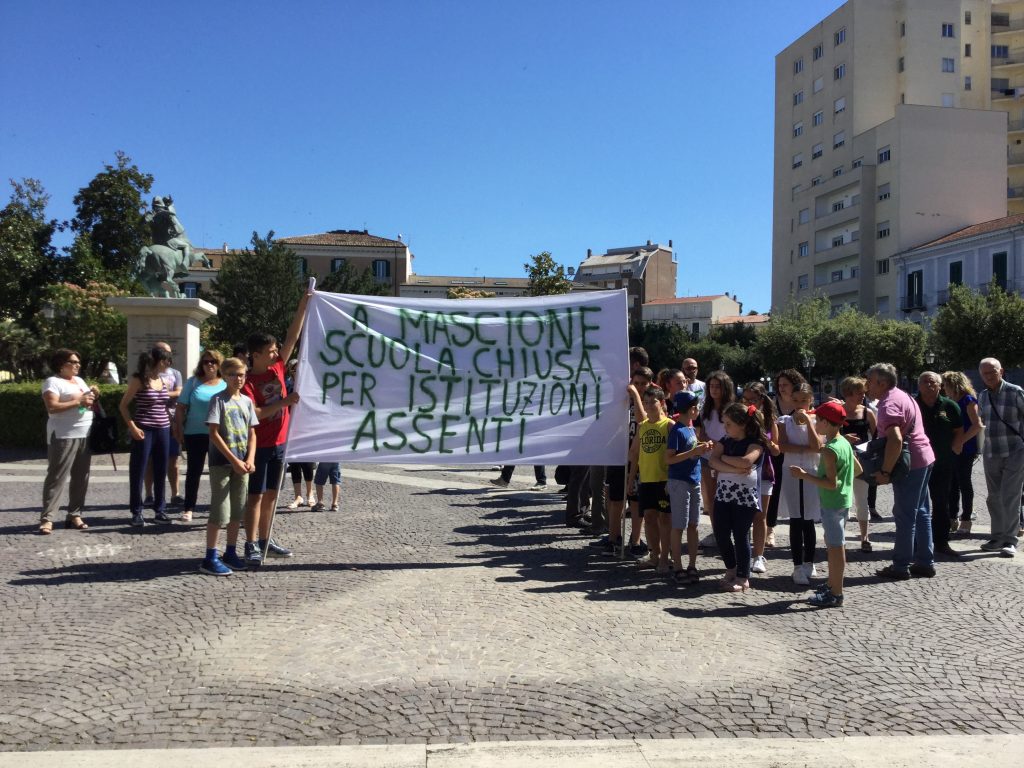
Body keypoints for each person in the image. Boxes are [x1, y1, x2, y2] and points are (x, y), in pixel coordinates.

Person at [241, 289, 312, 565]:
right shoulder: (246, 383)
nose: (275, 354)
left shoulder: (278, 368)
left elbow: (292, 336)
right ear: (255, 355)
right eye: (270, 351)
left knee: (272, 495)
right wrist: (284, 402)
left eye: (275, 350)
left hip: (281, 443)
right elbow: (255, 413)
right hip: (259, 446)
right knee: (255, 496)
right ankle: (250, 544)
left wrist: (303, 303)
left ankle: (265, 538)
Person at [788, 401, 861, 608]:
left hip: (832, 504)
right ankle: (832, 585)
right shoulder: (844, 443)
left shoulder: (830, 450)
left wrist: (804, 475)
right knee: (835, 546)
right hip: (842, 501)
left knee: (835, 549)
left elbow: (830, 483)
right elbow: (857, 469)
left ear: (827, 423)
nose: (814, 423)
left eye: (817, 420)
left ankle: (836, 593)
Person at [868, 362, 936, 580]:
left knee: (905, 515)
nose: (867, 385)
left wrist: (886, 471)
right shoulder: (903, 395)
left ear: (882, 382)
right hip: (924, 456)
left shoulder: (888, 405)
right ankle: (925, 561)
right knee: (922, 511)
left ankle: (900, 565)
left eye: (870, 381)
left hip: (910, 463)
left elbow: (895, 439)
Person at [200, 357, 259, 575]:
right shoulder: (218, 400)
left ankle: (231, 551)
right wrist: (234, 460)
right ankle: (209, 556)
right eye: (233, 374)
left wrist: (250, 459)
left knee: (237, 511)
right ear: (224, 376)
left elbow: (252, 432)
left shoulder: (246, 401)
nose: (238, 378)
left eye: (242, 374)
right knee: (219, 512)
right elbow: (214, 433)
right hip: (222, 464)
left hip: (242, 464)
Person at [707, 402, 766, 593]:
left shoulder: (755, 443)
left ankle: (743, 576)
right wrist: (733, 466)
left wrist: (724, 460)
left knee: (741, 535)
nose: (725, 428)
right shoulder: (725, 440)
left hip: (745, 498)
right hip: (723, 495)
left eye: (729, 424)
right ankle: (731, 568)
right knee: (721, 532)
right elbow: (712, 461)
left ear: (741, 424)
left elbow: (746, 461)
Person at [39, 349, 98, 534]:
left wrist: (93, 395)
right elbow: (52, 407)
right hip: (63, 435)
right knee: (57, 477)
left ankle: (75, 514)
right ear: (61, 364)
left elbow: (85, 402)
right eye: (73, 362)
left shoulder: (80, 381)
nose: (77, 365)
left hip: (84, 433)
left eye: (78, 362)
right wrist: (79, 401)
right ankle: (47, 518)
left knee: (82, 477)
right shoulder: (52, 382)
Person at [120, 346, 173, 526]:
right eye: (166, 360)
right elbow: (123, 406)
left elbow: (164, 405)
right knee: (138, 470)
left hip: (163, 429)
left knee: (161, 470)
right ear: (157, 361)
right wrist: (133, 427)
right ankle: (136, 511)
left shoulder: (162, 380)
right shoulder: (139, 380)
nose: (168, 363)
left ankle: (160, 509)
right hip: (144, 428)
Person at [977, 357, 1024, 558]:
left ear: (1001, 371)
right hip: (991, 452)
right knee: (993, 497)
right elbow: (983, 422)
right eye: (985, 374)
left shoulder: (1015, 392)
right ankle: (997, 536)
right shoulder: (983, 395)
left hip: (1015, 450)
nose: (988, 377)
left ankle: (1010, 540)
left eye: (992, 372)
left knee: (1010, 496)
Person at [915, 371, 963, 559]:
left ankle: (941, 542)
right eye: (925, 382)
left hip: (942, 463)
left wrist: (955, 447)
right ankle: (917, 542)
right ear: (919, 385)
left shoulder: (949, 406)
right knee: (917, 504)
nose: (929, 385)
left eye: (933, 382)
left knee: (941, 502)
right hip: (917, 464)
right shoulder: (913, 404)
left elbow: (959, 430)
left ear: (940, 385)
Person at [174, 350, 226, 523]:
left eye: (213, 361)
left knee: (219, 472)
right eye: (205, 362)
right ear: (201, 365)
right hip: (194, 432)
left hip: (219, 434)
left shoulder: (225, 382)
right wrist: (179, 428)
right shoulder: (193, 382)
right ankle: (188, 508)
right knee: (193, 472)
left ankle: (219, 508)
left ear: (219, 364)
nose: (209, 364)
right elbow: (181, 406)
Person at [778, 383, 822, 585]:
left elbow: (817, 446)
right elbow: (783, 445)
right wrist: (804, 449)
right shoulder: (784, 421)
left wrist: (809, 424)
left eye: (804, 400)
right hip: (791, 472)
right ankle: (797, 566)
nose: (799, 404)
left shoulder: (817, 420)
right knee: (796, 518)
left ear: (811, 400)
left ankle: (809, 561)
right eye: (795, 400)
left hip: (812, 471)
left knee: (809, 519)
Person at [666, 391, 711, 583]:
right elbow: (669, 458)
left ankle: (692, 564)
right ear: (692, 409)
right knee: (679, 526)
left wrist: (701, 447)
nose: (698, 410)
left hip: (693, 480)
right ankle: (677, 566)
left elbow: (691, 451)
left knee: (693, 525)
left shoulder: (691, 429)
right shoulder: (677, 430)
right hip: (680, 482)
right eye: (697, 407)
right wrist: (695, 451)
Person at [627, 385, 673, 572]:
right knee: (649, 517)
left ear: (661, 403)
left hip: (664, 480)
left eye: (652, 402)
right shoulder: (642, 426)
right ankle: (654, 554)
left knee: (665, 518)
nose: (648, 406)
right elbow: (635, 454)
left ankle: (666, 556)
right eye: (645, 402)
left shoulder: (669, 425)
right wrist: (630, 481)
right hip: (646, 480)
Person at [765, 369, 809, 548]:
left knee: (799, 492)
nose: (782, 388)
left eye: (786, 385)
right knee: (773, 491)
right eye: (780, 385)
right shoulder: (772, 403)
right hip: (777, 452)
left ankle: (800, 527)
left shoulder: (803, 402)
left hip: (799, 454)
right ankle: (770, 529)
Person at [742, 381, 780, 575]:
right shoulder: (740, 417)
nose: (749, 403)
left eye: (753, 399)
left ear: (761, 399)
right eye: (746, 398)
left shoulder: (769, 419)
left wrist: (767, 442)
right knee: (743, 516)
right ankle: (743, 555)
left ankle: (758, 556)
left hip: (764, 471)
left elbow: (776, 450)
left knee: (760, 516)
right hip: (743, 472)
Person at [942, 370, 984, 537]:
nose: (944, 388)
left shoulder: (968, 400)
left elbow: (977, 425)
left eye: (945, 385)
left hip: (965, 448)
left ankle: (966, 518)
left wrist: (961, 441)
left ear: (953, 385)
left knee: (964, 483)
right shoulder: (949, 401)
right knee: (952, 484)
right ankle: (952, 517)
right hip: (951, 448)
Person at [839, 376, 876, 551]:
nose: (863, 395)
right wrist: (843, 439)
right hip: (841, 461)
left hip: (861, 461)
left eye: (863, 392)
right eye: (858, 392)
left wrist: (870, 454)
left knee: (862, 500)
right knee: (842, 501)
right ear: (848, 393)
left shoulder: (867, 412)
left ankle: (865, 537)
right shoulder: (838, 412)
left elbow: (876, 438)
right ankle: (840, 538)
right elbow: (828, 435)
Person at [144, 341, 183, 507]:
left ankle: (176, 494)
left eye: (168, 352)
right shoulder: (145, 373)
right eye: (161, 352)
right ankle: (149, 494)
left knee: (173, 460)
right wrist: (165, 394)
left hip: (171, 419)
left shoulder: (175, 373)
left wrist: (160, 393)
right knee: (151, 460)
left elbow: (180, 392)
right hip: (151, 421)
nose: (166, 356)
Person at [696, 371, 735, 532]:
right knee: (711, 498)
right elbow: (701, 431)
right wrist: (707, 441)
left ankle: (729, 529)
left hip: (726, 457)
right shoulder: (704, 408)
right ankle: (717, 531)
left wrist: (719, 447)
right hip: (707, 457)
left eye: (717, 386)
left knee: (726, 497)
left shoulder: (732, 409)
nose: (714, 390)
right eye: (711, 386)